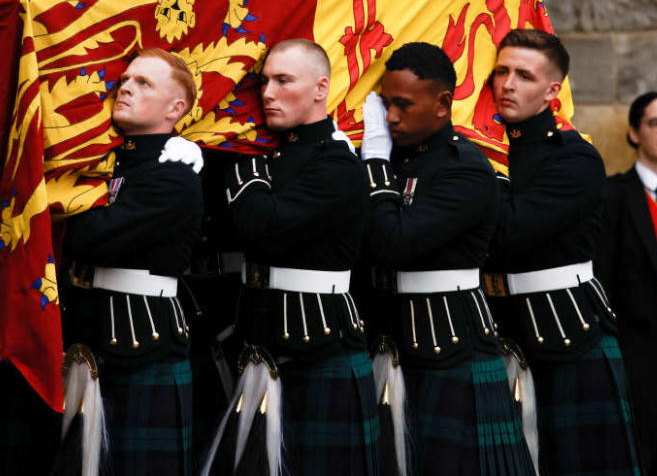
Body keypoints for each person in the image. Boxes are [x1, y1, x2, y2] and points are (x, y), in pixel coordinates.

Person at [359, 42, 534, 475]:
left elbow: (394, 241)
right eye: (386, 105)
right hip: (387, 339)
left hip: (449, 345)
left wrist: (374, 164)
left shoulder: (465, 169)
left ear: (441, 103)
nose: (391, 117)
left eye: (403, 105)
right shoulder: (397, 158)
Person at [205, 38, 377, 475]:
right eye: (265, 81)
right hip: (258, 337)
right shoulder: (271, 156)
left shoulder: (336, 164)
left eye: (284, 80)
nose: (267, 93)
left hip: (318, 343)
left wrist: (243, 173)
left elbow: (261, 226)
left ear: (321, 87)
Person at [483, 28, 639, 474]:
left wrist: (475, 169)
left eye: (524, 76)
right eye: (501, 71)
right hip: (494, 329)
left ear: (553, 90)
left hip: (566, 332)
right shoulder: (482, 149)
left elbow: (508, 230)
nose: (508, 84)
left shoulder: (574, 158)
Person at [58, 47, 204, 475]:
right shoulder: (104, 160)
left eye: (144, 83)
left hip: (142, 340)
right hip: (85, 332)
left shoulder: (174, 174)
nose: (125, 87)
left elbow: (91, 236)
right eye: (125, 79)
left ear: (175, 108)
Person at [599, 91, 657, 475]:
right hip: (637, 341)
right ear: (635, 133)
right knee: (642, 439)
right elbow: (603, 272)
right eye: (656, 123)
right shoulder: (614, 194)